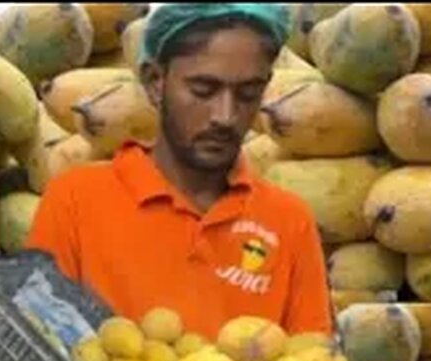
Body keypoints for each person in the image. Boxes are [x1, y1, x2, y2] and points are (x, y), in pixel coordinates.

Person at [26, 4, 333, 338]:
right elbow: (39, 343)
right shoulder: (76, 199)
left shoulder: (288, 220)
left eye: (247, 94)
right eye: (203, 90)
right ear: (155, 81)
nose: (225, 116)